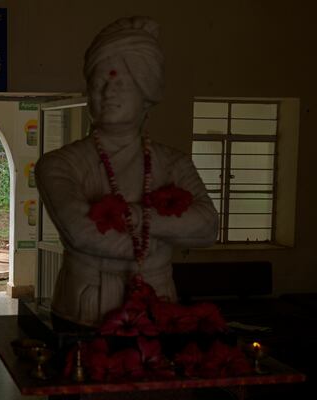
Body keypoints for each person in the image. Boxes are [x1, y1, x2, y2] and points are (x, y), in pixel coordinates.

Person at [35, 16, 218, 328]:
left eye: (120, 83)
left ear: (146, 95)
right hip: (85, 308)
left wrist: (137, 217)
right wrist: (163, 239)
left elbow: (208, 226)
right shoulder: (58, 164)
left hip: (157, 304)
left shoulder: (174, 162)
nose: (108, 93)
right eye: (100, 84)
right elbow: (83, 233)